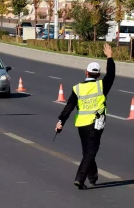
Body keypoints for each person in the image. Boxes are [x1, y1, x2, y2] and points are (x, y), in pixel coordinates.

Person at [55, 43, 115, 190]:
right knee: (90, 151)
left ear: (86, 73)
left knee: (88, 151)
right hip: (96, 124)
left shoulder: (78, 88)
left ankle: (92, 178)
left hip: (82, 125)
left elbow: (69, 107)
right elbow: (111, 74)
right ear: (98, 75)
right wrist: (110, 57)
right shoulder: (102, 85)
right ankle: (80, 179)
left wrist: (60, 122)